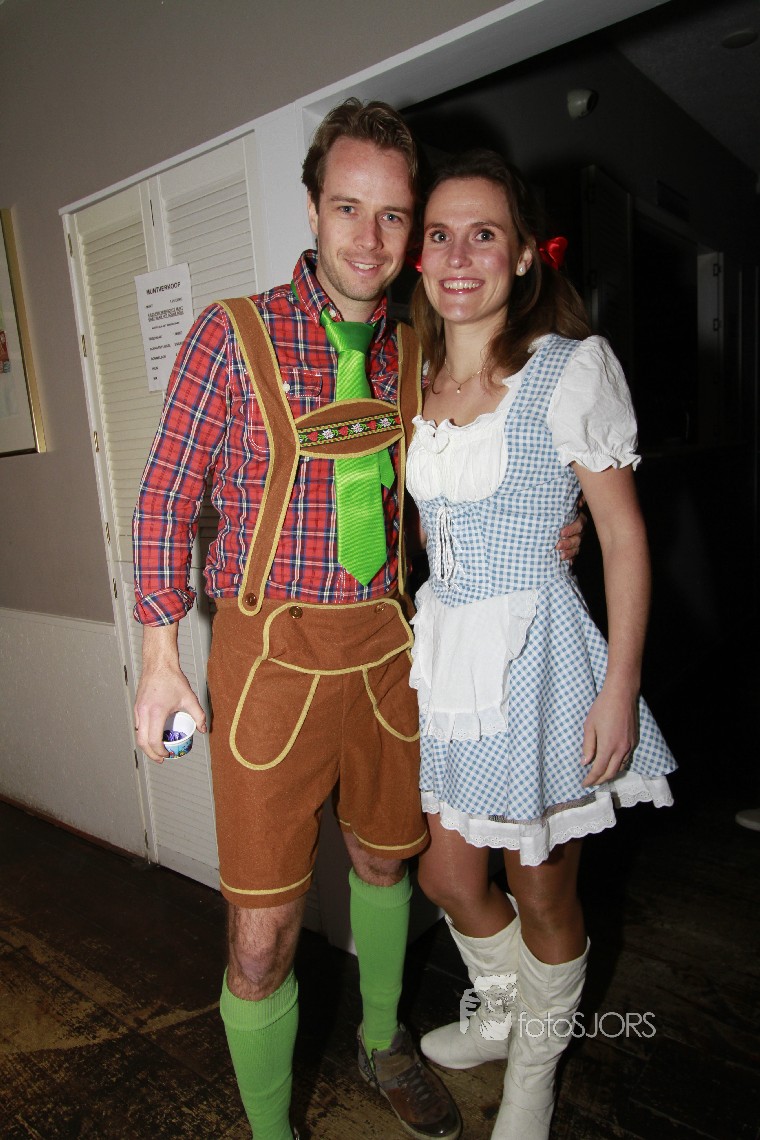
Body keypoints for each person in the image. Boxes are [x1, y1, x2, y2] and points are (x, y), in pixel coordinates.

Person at [132, 102, 581, 1139]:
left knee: (387, 864)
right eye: (348, 209)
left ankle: (384, 1040)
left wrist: (541, 530)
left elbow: (455, 482)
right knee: (260, 940)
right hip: (267, 665)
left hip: (388, 652)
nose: (370, 239)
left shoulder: (417, 347)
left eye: (392, 216)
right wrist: (159, 656)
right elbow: (162, 501)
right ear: (312, 208)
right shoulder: (228, 335)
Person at [404, 150, 677, 1140]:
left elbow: (624, 536)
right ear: (418, 256)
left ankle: (533, 1072)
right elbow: (436, 522)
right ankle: (504, 1008)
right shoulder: (412, 375)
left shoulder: (568, 368)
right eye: (440, 235)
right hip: (450, 660)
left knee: (540, 886)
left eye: (484, 234)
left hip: (540, 665)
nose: (458, 256)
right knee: (445, 874)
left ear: (523, 254)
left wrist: (619, 688)